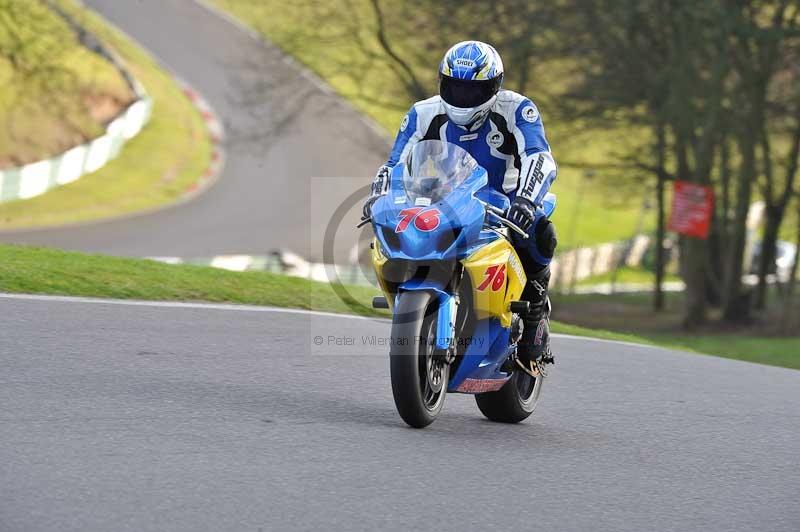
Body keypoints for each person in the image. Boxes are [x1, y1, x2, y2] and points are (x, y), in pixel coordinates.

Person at [362, 40, 557, 376]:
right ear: (442, 83)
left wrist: (526, 200)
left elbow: (539, 157)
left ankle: (534, 317)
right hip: (444, 198)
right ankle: (412, 299)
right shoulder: (422, 113)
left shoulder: (518, 110)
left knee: (541, 232)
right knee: (400, 232)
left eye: (473, 90)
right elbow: (395, 162)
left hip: (504, 203)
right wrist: (379, 195)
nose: (463, 97)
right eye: (455, 87)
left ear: (494, 87)